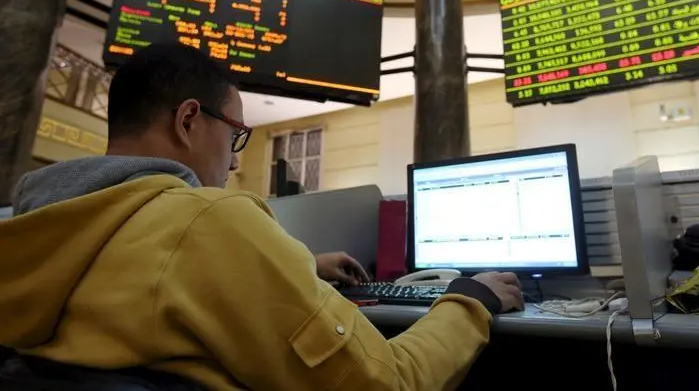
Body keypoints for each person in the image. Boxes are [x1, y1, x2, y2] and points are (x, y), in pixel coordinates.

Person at [0, 44, 524, 390]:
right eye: (236, 136)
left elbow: (141, 275)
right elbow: (387, 382)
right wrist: (470, 299)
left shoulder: (39, 221)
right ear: (188, 120)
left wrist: (302, 264)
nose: (234, 163)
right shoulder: (211, 220)